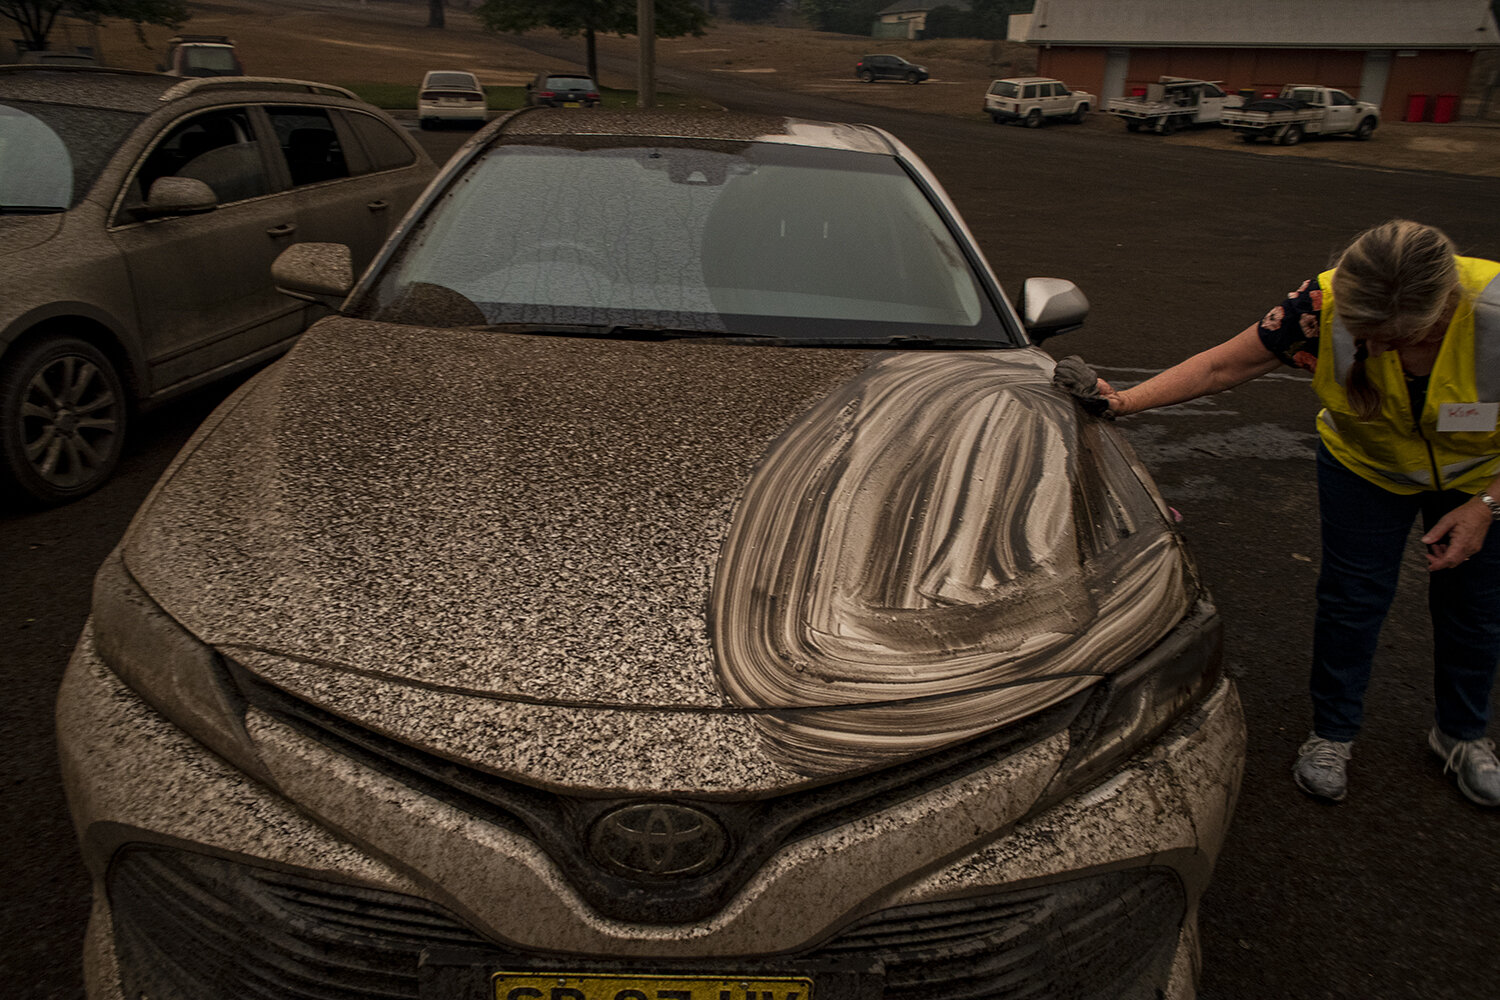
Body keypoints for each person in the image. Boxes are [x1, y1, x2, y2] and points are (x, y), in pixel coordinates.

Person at [1092, 219, 1500, 807]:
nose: (1379, 350)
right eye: (1367, 337)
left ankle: (1462, 735)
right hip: (1366, 468)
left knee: (1477, 608)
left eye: (1400, 339)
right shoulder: (1318, 303)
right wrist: (1124, 401)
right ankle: (1332, 733)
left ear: (1445, 309)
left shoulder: (1493, 310)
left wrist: (1485, 506)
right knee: (1352, 602)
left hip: (1479, 478)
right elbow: (1222, 366)